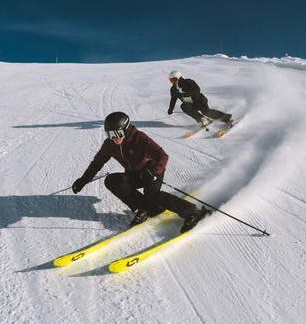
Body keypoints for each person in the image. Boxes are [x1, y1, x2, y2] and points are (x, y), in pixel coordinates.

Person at [72, 112, 208, 233]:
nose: (114, 138)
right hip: (134, 174)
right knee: (112, 181)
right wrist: (83, 180)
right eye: (109, 134)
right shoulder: (110, 144)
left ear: (125, 130)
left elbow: (163, 156)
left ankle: (193, 212)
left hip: (151, 173)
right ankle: (142, 209)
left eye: (116, 134)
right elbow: (97, 163)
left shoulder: (139, 138)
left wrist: (155, 170)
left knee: (153, 198)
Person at [167, 70, 234, 128]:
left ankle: (227, 119)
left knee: (207, 112)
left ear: (179, 78)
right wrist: (170, 109)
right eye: (171, 80)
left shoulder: (188, 82)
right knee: (183, 106)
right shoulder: (173, 89)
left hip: (199, 101)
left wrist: (184, 94)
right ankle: (203, 119)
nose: (173, 82)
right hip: (191, 105)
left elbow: (197, 90)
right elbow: (173, 99)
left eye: (174, 79)